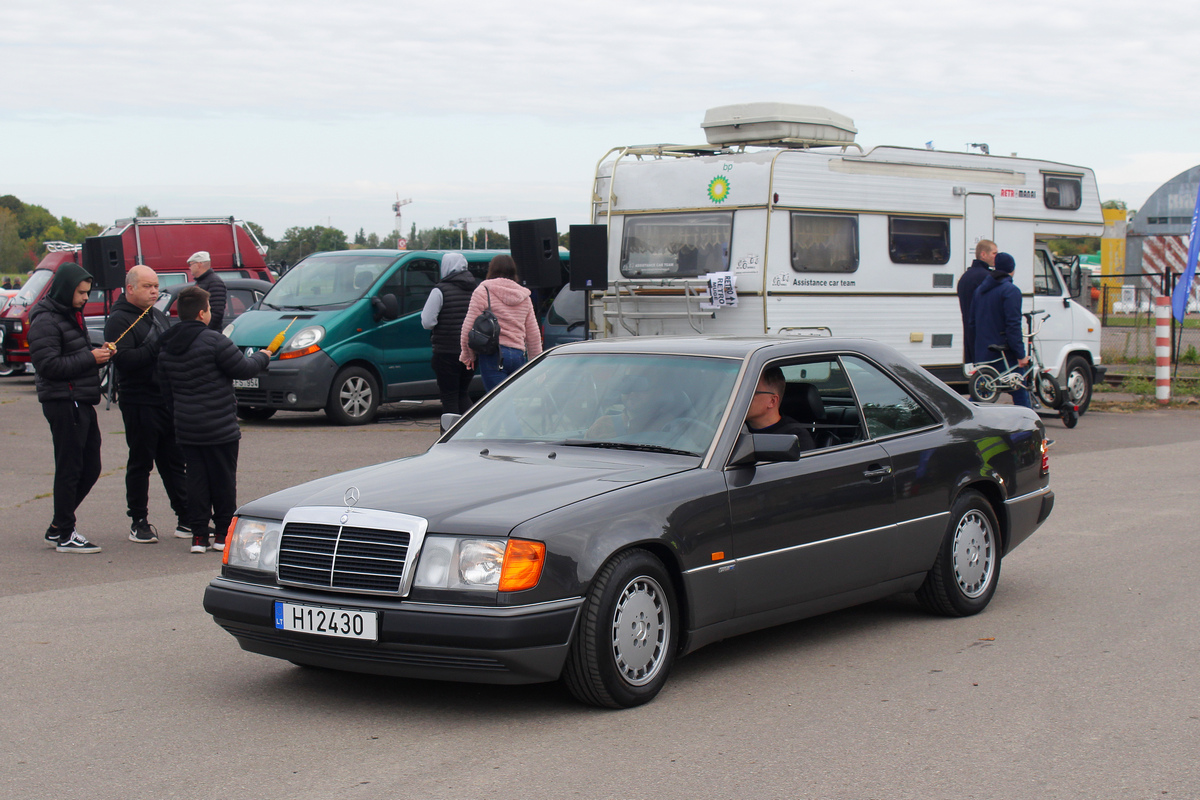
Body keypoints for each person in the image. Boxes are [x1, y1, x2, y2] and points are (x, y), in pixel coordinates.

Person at [158, 286, 280, 554]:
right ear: (202, 313)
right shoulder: (214, 340)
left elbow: (166, 390)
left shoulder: (167, 345)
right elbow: (243, 369)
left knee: (197, 480)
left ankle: (199, 535)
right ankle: (223, 535)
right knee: (223, 480)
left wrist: (180, 412)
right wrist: (264, 356)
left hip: (187, 426)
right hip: (220, 425)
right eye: (210, 309)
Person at [27, 262, 112, 553]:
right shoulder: (45, 320)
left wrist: (100, 355)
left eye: (88, 292)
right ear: (65, 290)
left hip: (82, 399)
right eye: (80, 293)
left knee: (91, 466)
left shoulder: (70, 314)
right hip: (64, 401)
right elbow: (47, 365)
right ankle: (65, 532)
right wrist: (92, 358)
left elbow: (75, 354)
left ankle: (58, 525)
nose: (85, 298)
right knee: (70, 468)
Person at [104, 265, 190, 544]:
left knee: (174, 461)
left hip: (165, 399)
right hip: (138, 400)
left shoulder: (157, 315)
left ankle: (186, 517)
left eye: (156, 286)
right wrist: (157, 345)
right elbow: (124, 361)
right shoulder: (119, 320)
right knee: (141, 462)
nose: (154, 291)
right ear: (130, 288)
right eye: (147, 286)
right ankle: (138, 520)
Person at [459, 255, 542, 392]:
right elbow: (533, 335)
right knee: (510, 401)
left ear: (491, 269)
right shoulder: (524, 296)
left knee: (498, 407)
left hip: (493, 355)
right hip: (518, 356)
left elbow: (468, 327)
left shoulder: (483, 291)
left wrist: (468, 355)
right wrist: (536, 363)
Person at [969, 251, 1031, 408]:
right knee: (1019, 390)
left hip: (983, 352)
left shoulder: (980, 291)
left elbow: (972, 323)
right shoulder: (1011, 291)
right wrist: (1020, 354)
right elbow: (1013, 325)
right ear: (1012, 269)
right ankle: (1028, 428)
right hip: (1003, 354)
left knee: (981, 395)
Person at [421, 253, 477, 415]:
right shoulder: (476, 288)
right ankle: (471, 432)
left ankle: (448, 434)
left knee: (449, 397)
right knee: (462, 393)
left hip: (446, 352)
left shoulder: (440, 290)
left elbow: (427, 322)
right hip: (470, 352)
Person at [744, 367, 816, 450]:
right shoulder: (734, 428)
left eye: (751, 392)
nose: (741, 398)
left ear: (772, 401)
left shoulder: (795, 438)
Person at [958, 239, 997, 365]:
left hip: (969, 332)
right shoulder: (986, 277)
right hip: (983, 335)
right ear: (983, 254)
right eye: (994, 253)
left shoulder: (966, 276)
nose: (997, 257)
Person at [187, 251, 227, 331]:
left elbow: (217, 313)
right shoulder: (202, 282)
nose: (189, 267)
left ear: (199, 264)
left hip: (209, 333)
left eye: (191, 264)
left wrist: (202, 330)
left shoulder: (215, 283)